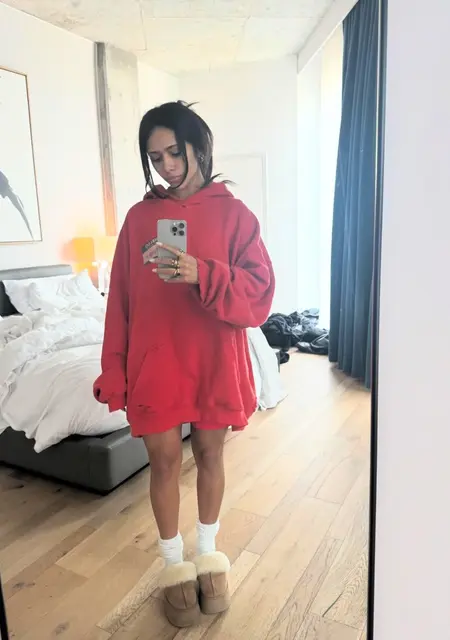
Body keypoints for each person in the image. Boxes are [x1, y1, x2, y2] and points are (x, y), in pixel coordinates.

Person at [93, 101, 275, 628]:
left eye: (175, 151)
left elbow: (260, 293)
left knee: (212, 455)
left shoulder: (235, 216)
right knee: (165, 462)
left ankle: (208, 557)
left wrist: (203, 272)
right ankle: (173, 566)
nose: (167, 166)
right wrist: (115, 367)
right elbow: (120, 300)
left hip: (214, 354)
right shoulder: (139, 218)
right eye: (156, 157)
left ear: (199, 146)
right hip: (158, 358)